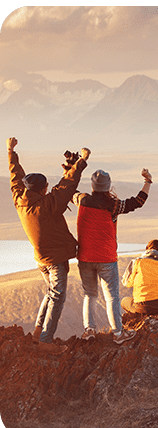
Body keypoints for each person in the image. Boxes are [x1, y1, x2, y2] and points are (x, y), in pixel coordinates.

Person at [6, 137, 90, 354]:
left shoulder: (20, 200)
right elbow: (66, 187)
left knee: (51, 293)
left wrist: (11, 152)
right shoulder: (45, 206)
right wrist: (81, 161)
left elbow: (16, 178)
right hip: (53, 260)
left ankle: (38, 333)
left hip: (41, 259)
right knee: (57, 296)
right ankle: (45, 340)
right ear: (43, 190)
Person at [72, 168, 153, 344]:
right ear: (108, 186)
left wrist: (70, 169)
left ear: (93, 185)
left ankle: (89, 330)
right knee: (112, 297)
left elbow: (70, 191)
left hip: (85, 257)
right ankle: (117, 333)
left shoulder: (82, 200)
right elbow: (138, 202)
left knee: (90, 295)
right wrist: (147, 182)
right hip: (106, 258)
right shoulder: (114, 205)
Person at [121, 239, 158, 316]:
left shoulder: (137, 262)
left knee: (124, 301)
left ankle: (138, 316)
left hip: (143, 305)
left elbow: (127, 283)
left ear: (147, 249)